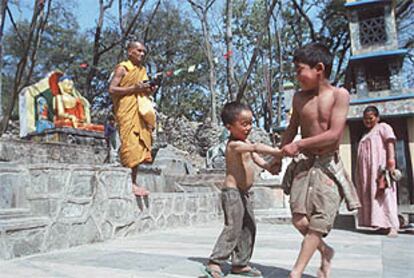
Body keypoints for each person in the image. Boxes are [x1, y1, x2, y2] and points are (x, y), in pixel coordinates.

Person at [277, 42, 360, 278]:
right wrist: (277, 155)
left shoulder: (339, 95)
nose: (296, 76)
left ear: (319, 68)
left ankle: (296, 272)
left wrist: (300, 144)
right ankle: (325, 251)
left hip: (328, 166)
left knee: (318, 224)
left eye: (299, 69)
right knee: (299, 219)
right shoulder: (299, 98)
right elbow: (291, 130)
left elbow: (334, 133)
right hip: (304, 166)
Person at [203, 102, 283, 278]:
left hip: (244, 193)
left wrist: (271, 166)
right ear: (229, 127)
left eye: (250, 122)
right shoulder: (233, 145)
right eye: (244, 123)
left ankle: (240, 263)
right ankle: (215, 261)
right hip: (232, 192)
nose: (249, 127)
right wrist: (279, 152)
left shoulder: (246, 142)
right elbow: (255, 148)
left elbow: (259, 160)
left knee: (249, 227)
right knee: (233, 227)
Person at [108, 41, 157, 197]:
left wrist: (150, 89)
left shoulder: (142, 70)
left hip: (139, 111)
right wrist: (133, 89)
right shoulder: (122, 68)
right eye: (139, 51)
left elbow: (143, 92)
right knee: (129, 145)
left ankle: (133, 182)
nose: (142, 54)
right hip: (126, 111)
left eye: (144, 52)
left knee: (138, 146)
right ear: (130, 52)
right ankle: (129, 183)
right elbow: (112, 89)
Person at [356, 106, 399, 237]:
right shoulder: (366, 134)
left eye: (370, 118)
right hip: (368, 172)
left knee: (386, 193)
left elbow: (390, 142)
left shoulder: (383, 127)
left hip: (380, 168)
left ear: (377, 117)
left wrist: (391, 161)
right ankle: (382, 224)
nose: (368, 121)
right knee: (374, 195)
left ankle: (392, 226)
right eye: (365, 119)